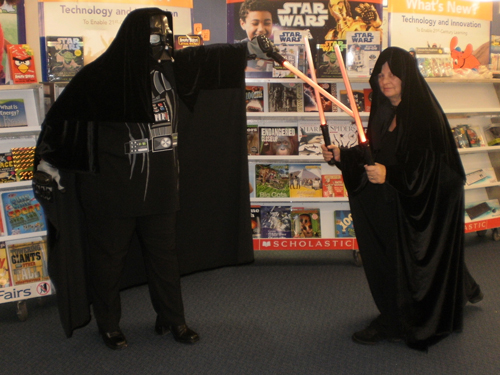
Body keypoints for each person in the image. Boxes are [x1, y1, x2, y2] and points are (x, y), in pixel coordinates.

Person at [33, 8, 261, 350]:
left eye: (166, 32)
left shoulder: (170, 71)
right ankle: (108, 324)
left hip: (160, 189)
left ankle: (173, 319)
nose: (164, 40)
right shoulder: (100, 77)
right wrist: (48, 161)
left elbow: (207, 59)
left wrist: (249, 49)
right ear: (137, 36)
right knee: (108, 260)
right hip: (112, 191)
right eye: (156, 33)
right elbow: (61, 120)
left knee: (166, 258)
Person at [321, 47, 483, 351]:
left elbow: (430, 169)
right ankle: (458, 286)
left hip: (427, 204)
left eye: (393, 73)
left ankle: (398, 321)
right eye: (381, 74)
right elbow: (374, 155)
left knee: (410, 260)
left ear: (407, 75)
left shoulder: (424, 116)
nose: (385, 80)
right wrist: (342, 155)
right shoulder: (383, 111)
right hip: (397, 200)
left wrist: (392, 176)